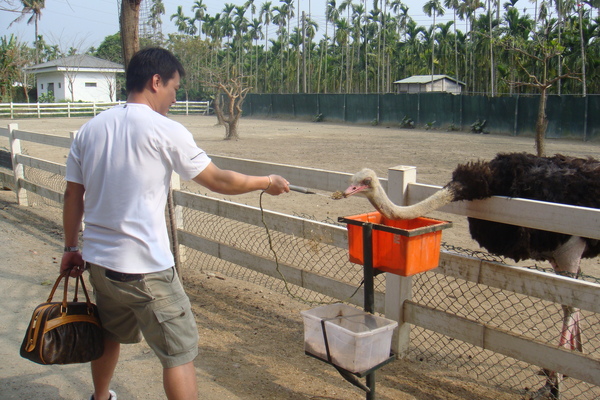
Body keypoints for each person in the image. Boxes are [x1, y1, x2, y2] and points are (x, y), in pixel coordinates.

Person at [60, 47, 289, 400]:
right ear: (155, 82)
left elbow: (73, 197)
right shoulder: (165, 130)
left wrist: (71, 248)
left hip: (100, 263)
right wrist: (266, 181)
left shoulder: (89, 130)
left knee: (108, 333)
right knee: (178, 353)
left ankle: (101, 397)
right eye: (174, 88)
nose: (174, 96)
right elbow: (220, 181)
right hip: (146, 268)